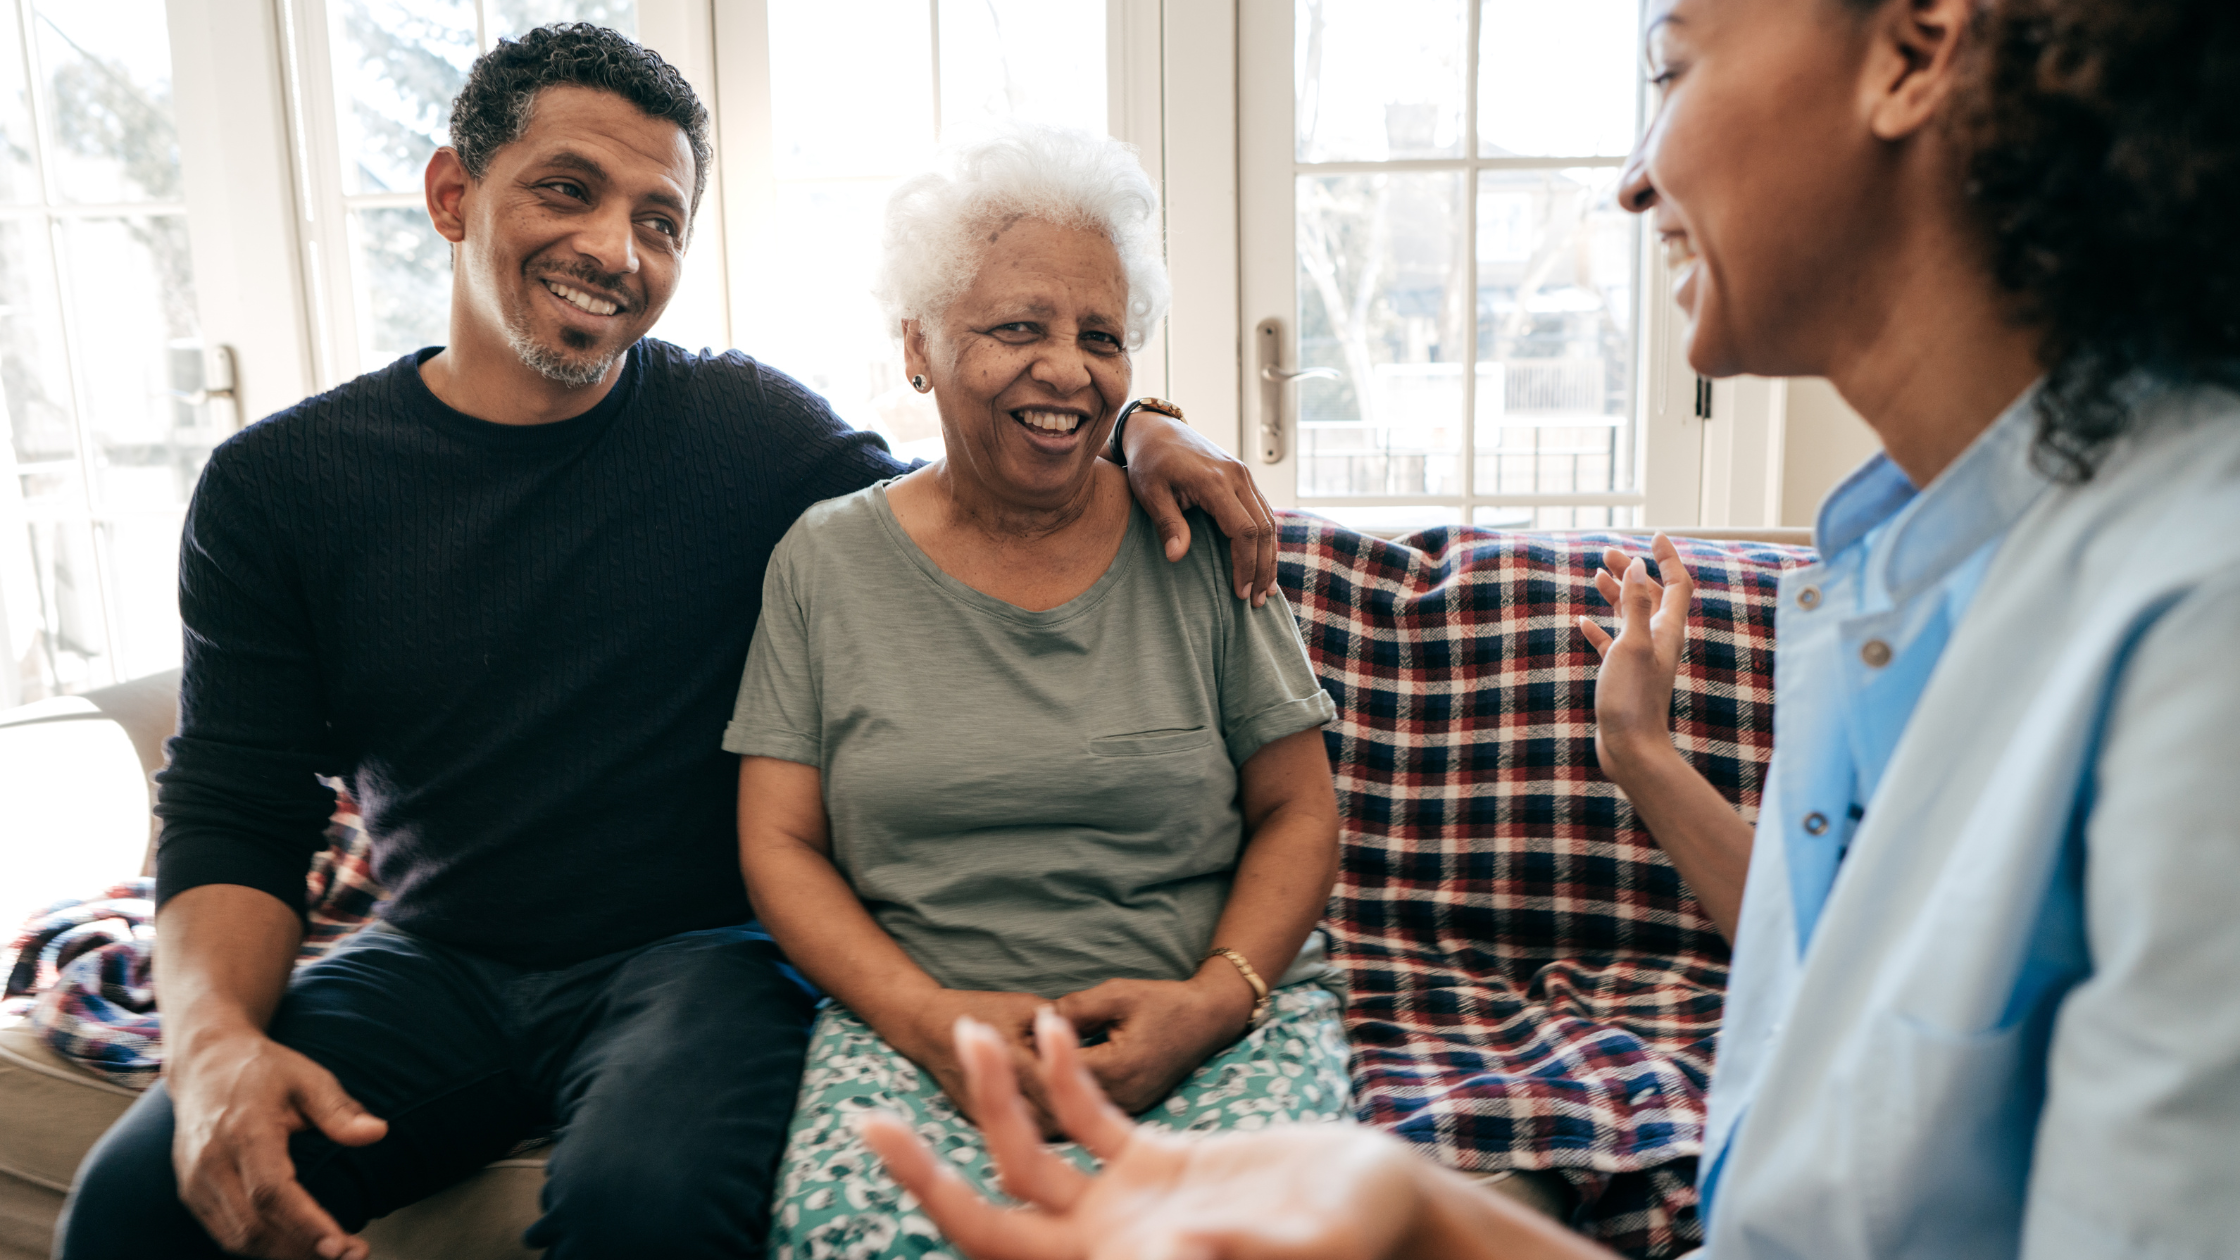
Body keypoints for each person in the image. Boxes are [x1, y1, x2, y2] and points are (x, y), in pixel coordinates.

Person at [853, 0, 2240, 1256]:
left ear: (1915, 51)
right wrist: (1426, 1222)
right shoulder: (1896, 572)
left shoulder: (2195, 625)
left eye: (1672, 66)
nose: (1638, 176)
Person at [53, 25, 1284, 1260]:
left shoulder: (745, 434)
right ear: (450, 195)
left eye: (659, 219)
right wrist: (211, 1045)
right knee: (133, 1207)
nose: (614, 249)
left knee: (644, 1211)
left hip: (702, 961)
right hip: (433, 959)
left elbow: (978, 481)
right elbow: (235, 806)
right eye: (568, 189)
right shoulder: (280, 487)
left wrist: (1144, 433)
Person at [727, 125, 1355, 1259]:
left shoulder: (1194, 539)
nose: (1066, 369)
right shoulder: (824, 562)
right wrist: (927, 1023)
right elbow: (778, 843)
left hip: (1211, 1024)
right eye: (1016, 327)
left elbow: (1297, 809)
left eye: (1100, 337)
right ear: (917, 345)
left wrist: (1213, 1002)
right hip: (922, 1033)